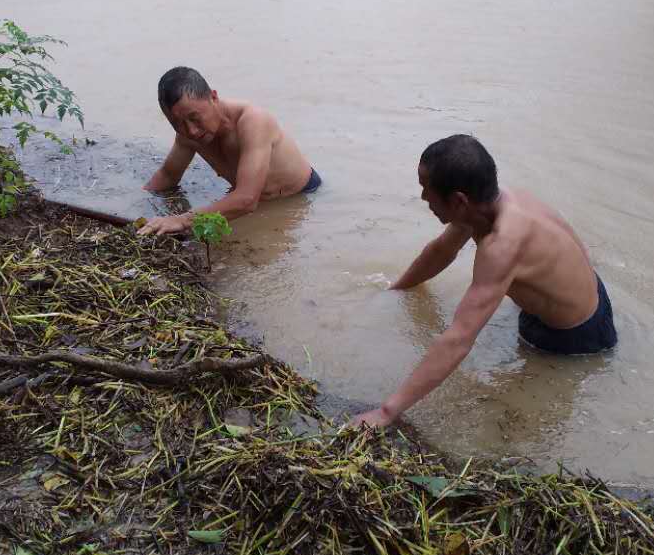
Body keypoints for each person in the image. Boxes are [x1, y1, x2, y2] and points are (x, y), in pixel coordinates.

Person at [353, 134, 617, 428]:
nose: (423, 198)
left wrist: (386, 412)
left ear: (458, 200)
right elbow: (441, 251)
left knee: (518, 410)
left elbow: (459, 339)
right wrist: (398, 289)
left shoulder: (503, 244)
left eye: (425, 188)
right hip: (587, 292)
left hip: (575, 337)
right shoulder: (492, 202)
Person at [142, 67, 321, 236]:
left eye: (194, 118)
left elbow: (247, 200)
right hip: (248, 197)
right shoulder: (187, 135)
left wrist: (182, 220)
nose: (191, 131)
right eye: (177, 124)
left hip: (302, 197)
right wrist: (139, 208)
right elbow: (167, 177)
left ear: (213, 97)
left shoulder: (253, 122)